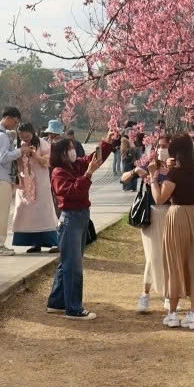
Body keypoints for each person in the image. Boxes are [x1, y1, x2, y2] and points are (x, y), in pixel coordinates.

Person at [46, 133, 115, 320]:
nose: (73, 151)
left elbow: (94, 159)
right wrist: (88, 174)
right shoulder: (58, 172)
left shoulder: (75, 165)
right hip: (71, 219)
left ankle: (57, 302)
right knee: (73, 266)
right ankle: (74, 308)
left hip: (81, 217)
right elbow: (73, 192)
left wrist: (107, 141)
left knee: (68, 263)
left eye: (73, 147)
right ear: (61, 153)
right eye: (69, 148)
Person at [154, 133, 194, 330]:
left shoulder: (174, 174)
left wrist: (154, 178)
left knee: (175, 262)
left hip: (178, 216)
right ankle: (193, 314)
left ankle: (172, 314)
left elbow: (160, 198)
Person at [122, 134, 169, 314]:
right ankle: (145, 294)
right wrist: (137, 171)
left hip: (170, 213)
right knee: (152, 256)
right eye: (160, 146)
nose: (162, 149)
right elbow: (124, 178)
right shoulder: (149, 163)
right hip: (151, 214)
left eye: (166, 146)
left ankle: (168, 294)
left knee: (168, 255)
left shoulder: (174, 167)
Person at [11, 122, 60, 254]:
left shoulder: (43, 144)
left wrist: (35, 155)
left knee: (44, 212)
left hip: (41, 182)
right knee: (26, 213)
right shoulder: (19, 145)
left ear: (33, 133)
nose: (25, 139)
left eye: (27, 136)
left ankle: (55, 242)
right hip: (25, 183)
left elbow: (48, 162)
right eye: (22, 137)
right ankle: (35, 243)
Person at [0, 108, 25, 257]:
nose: (15, 125)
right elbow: (3, 157)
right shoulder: (1, 136)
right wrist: (21, 151)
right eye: (15, 122)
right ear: (8, 118)